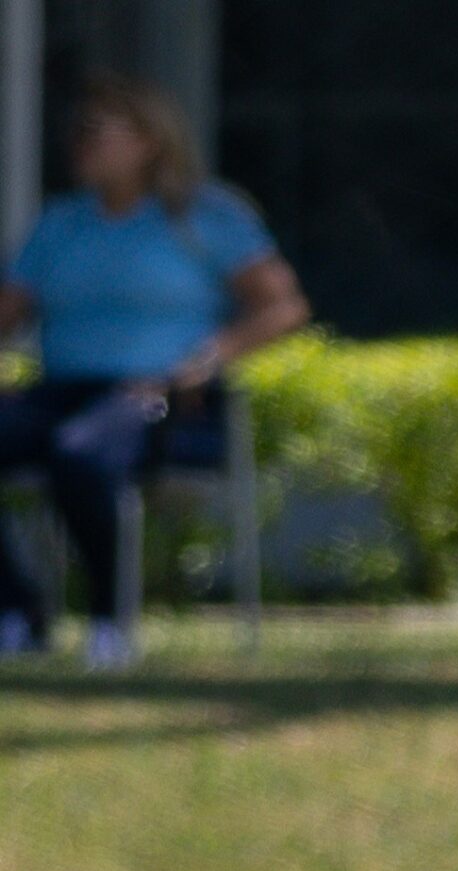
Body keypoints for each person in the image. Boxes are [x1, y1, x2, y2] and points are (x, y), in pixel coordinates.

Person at [0, 76, 307, 668]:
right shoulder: (60, 224)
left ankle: (109, 623)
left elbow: (283, 306)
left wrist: (209, 357)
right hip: (62, 388)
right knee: (48, 433)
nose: (79, 144)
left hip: (161, 397)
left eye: (95, 131)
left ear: (148, 140)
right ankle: (17, 613)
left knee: (79, 453)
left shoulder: (205, 218)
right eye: (76, 132)